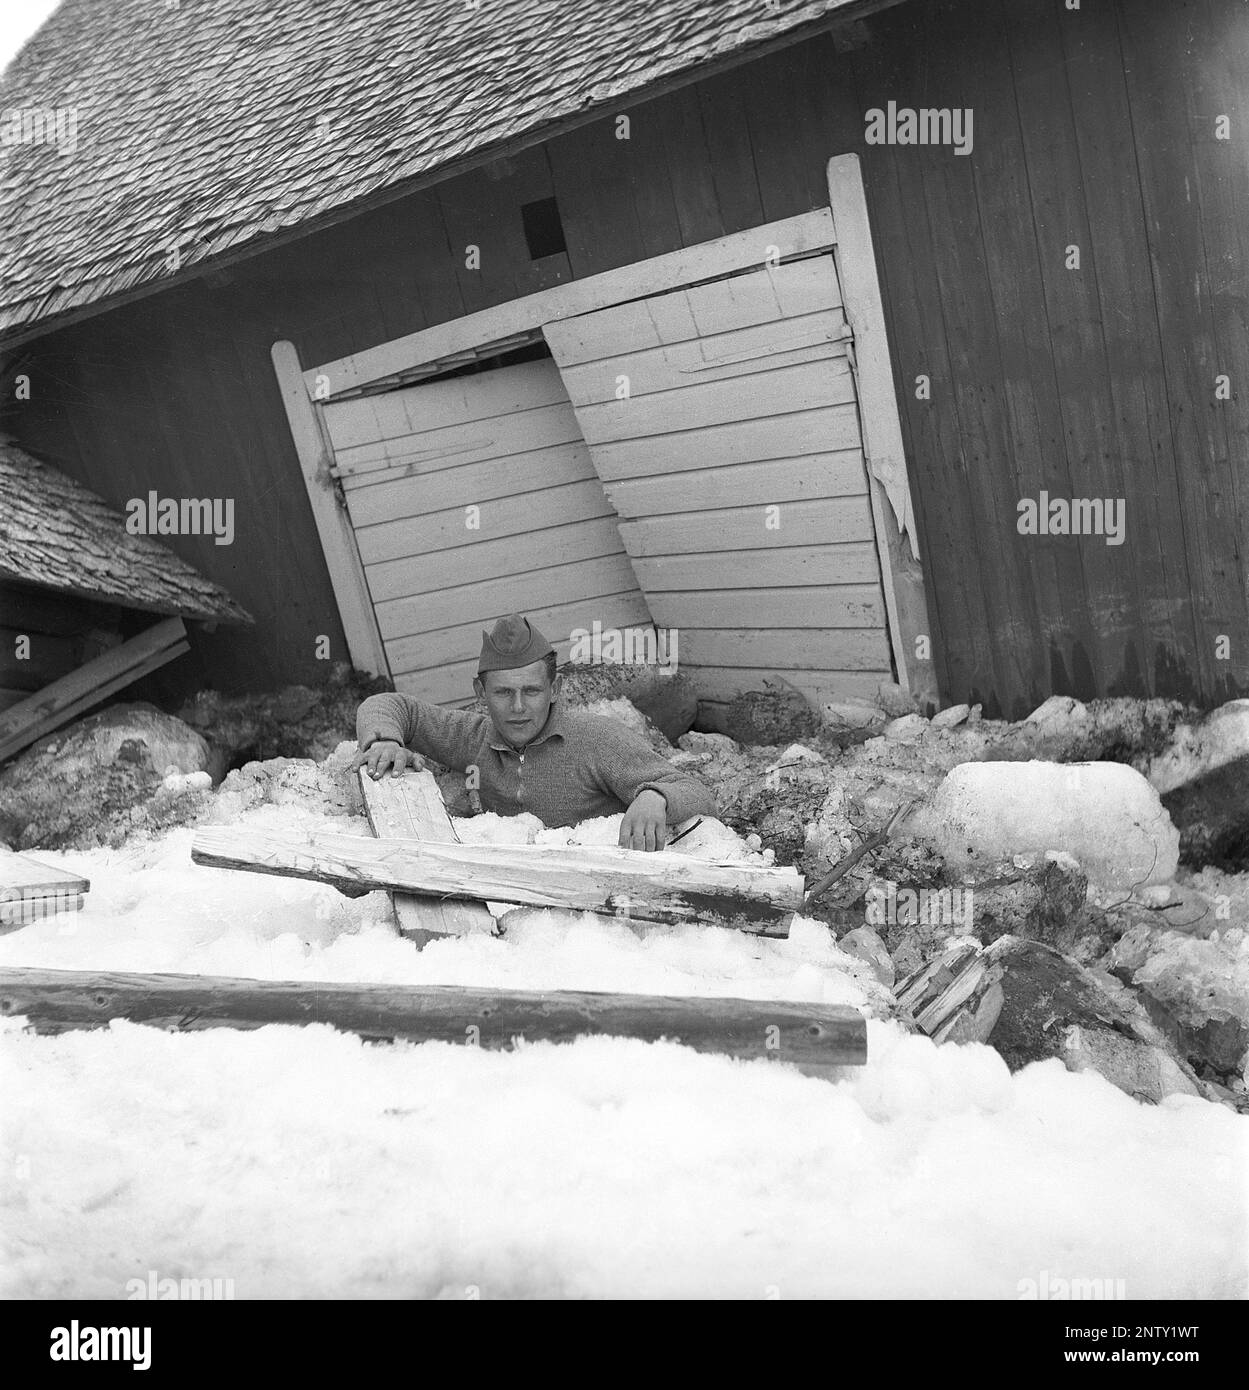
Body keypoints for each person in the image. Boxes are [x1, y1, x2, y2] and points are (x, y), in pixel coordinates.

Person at [351, 614, 716, 850]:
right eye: (503, 693)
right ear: (481, 694)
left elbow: (696, 791)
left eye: (532, 691)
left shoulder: (596, 739)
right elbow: (390, 705)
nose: (519, 707)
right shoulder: (471, 736)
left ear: (554, 690)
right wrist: (383, 738)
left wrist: (654, 797)